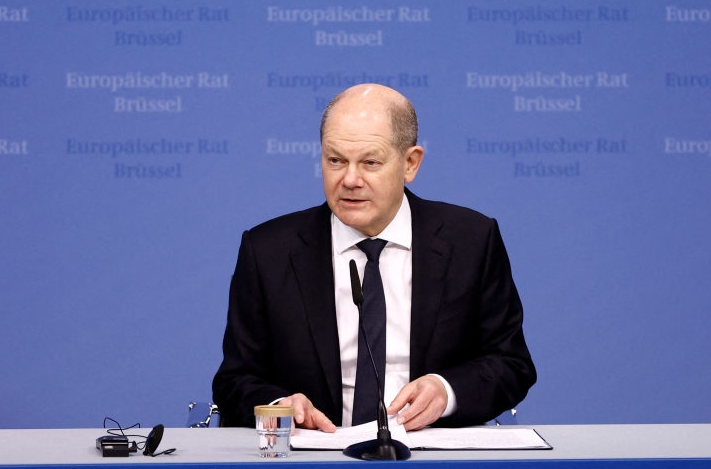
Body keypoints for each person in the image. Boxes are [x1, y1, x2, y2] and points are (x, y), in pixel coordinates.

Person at [214, 84, 535, 431]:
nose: (350, 180)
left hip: (432, 461)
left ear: (410, 163)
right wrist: (279, 406)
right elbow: (235, 379)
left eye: (370, 162)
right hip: (316, 462)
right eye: (335, 160)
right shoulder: (268, 251)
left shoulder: (471, 240)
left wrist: (445, 390)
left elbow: (510, 364)